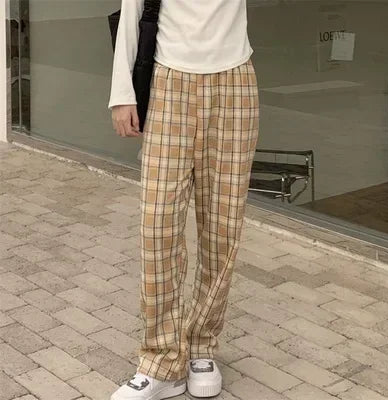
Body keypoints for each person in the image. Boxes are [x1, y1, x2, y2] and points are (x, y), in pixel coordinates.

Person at [108, 0, 259, 398]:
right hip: (168, 82)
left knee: (223, 228)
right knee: (157, 227)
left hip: (234, 83)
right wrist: (122, 93)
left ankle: (202, 346)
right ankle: (160, 359)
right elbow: (131, 14)